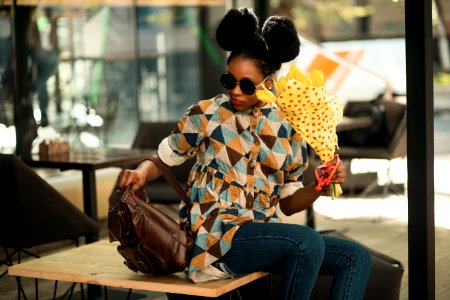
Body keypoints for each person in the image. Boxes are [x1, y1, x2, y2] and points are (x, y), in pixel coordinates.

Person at [119, 7, 371, 300]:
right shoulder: (208, 113)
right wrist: (141, 173)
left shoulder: (288, 127)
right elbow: (165, 156)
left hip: (262, 235)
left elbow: (288, 205)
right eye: (230, 81)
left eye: (247, 84)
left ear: (269, 83)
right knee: (308, 242)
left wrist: (319, 186)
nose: (236, 91)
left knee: (355, 257)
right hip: (215, 238)